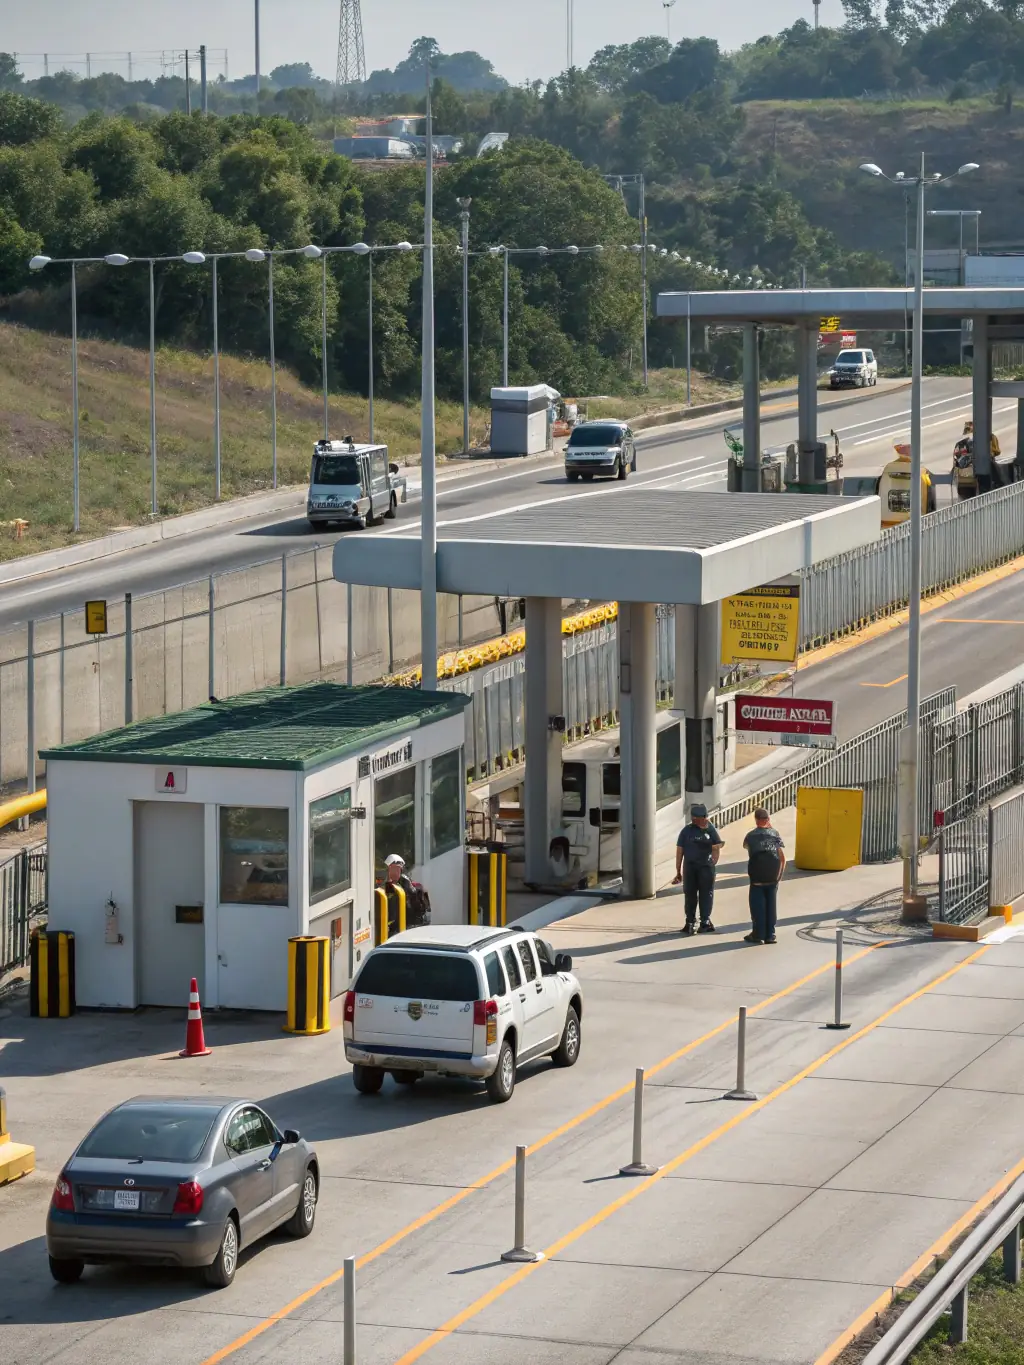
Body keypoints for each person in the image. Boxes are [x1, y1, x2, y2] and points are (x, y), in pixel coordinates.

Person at [672, 804, 724, 935]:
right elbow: (680, 852)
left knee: (699, 894)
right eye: (703, 817)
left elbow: (716, 847)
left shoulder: (690, 831)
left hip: (699, 868)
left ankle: (697, 922)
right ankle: (698, 922)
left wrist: (713, 861)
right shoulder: (701, 830)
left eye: (705, 817)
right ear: (696, 819)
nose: (705, 819)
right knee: (698, 894)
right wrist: (678, 871)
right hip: (697, 868)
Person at [741, 808, 786, 945]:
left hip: (757, 878)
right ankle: (771, 934)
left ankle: (758, 934)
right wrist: (779, 876)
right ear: (768, 819)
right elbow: (782, 857)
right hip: (772, 876)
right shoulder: (775, 834)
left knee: (757, 905)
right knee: (771, 905)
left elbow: (745, 846)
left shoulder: (750, 836)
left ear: (756, 819)